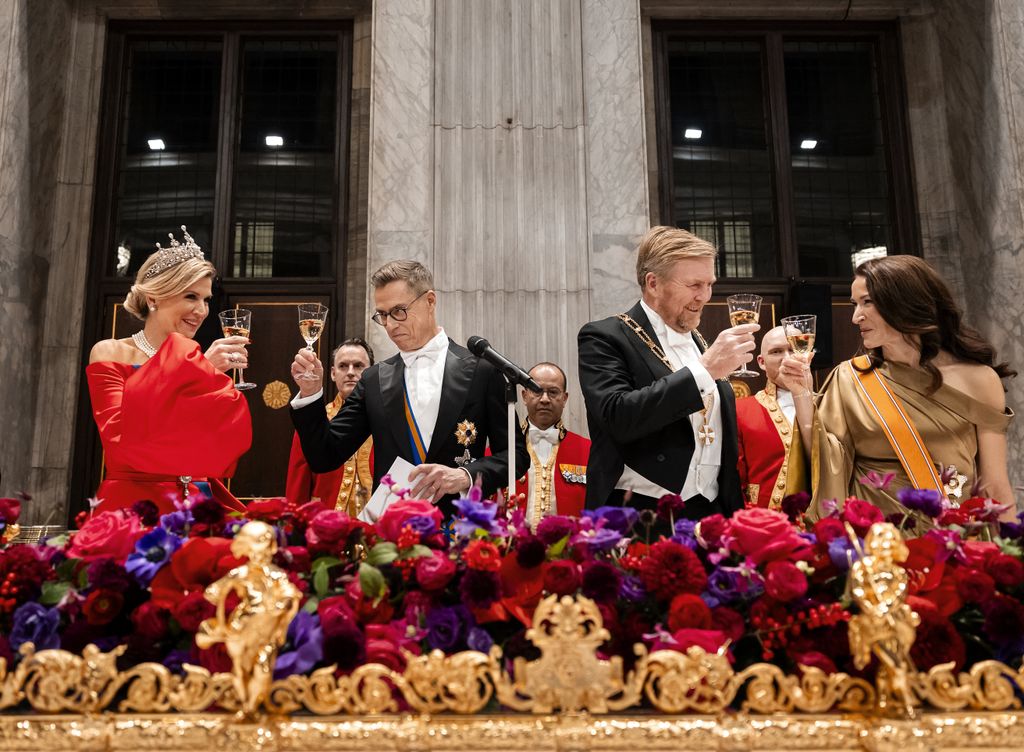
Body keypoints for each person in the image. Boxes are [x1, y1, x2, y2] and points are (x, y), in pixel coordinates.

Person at [781, 255, 1017, 520]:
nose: (856, 317)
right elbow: (823, 459)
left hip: (953, 542)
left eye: (867, 302)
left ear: (904, 302)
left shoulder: (979, 380)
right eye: (855, 304)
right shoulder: (850, 378)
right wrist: (801, 393)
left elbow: (994, 486)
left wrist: (1010, 552)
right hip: (876, 547)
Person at [290, 260, 528, 516]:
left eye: (399, 311)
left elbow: (515, 455)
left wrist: (465, 476)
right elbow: (325, 455)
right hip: (392, 533)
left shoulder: (482, 371)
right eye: (383, 314)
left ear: (430, 301)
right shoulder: (373, 380)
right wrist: (310, 394)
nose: (391, 325)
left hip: (459, 529)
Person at [577, 226, 758, 519]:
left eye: (709, 283)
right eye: (694, 285)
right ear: (653, 283)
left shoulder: (701, 341)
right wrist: (706, 369)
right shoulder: (604, 337)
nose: (705, 296)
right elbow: (617, 416)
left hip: (711, 509)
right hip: (638, 514)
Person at [86, 227, 251, 514]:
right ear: (153, 298)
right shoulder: (110, 352)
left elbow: (217, 448)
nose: (201, 310)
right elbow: (120, 443)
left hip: (198, 504)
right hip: (135, 507)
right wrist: (199, 372)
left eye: (206, 299)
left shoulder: (200, 361)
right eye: (190, 296)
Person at [285, 338, 375, 515]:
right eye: (343, 366)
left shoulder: (384, 419)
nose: (350, 372)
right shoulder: (314, 420)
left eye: (358, 366)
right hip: (326, 527)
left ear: (372, 372)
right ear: (333, 373)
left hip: (379, 530)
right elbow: (298, 482)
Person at [735, 326, 811, 509]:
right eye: (777, 351)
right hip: (764, 524)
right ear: (761, 362)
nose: (787, 358)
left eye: (793, 349)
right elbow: (734, 481)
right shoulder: (740, 410)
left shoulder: (829, 405)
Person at [514, 362, 590, 524]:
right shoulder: (501, 450)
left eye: (553, 392)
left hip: (570, 547)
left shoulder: (589, 451)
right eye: (536, 390)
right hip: (514, 548)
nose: (545, 399)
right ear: (524, 396)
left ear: (565, 398)